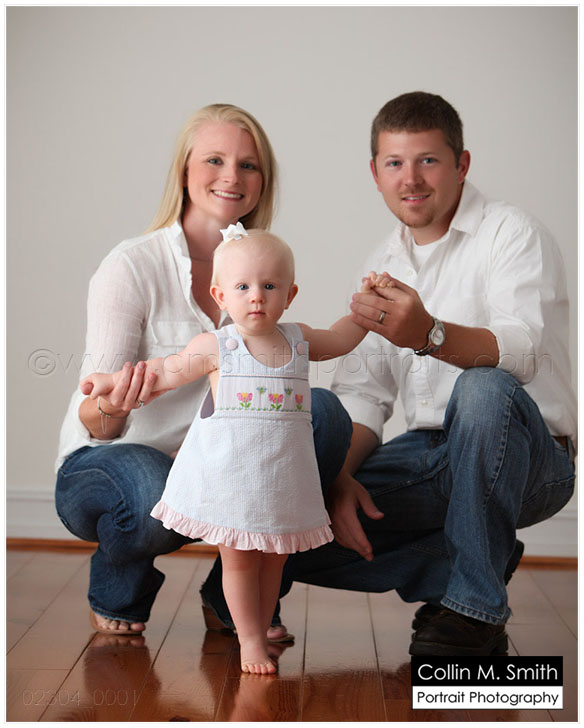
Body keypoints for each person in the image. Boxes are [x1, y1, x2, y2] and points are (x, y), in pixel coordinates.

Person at [201, 91, 577, 657]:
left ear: (461, 165)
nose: (411, 179)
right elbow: (363, 395)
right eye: (395, 163)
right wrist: (337, 482)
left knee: (483, 388)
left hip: (530, 459)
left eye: (428, 160)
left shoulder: (513, 233)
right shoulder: (383, 263)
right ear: (375, 173)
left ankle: (473, 612)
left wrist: (430, 333)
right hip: (428, 457)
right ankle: (460, 563)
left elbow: (522, 353)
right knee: (299, 514)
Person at [54, 104, 353, 641]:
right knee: (150, 491)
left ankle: (236, 600)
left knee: (325, 414)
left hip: (218, 457)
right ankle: (119, 584)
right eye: (215, 160)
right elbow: (95, 422)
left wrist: (366, 317)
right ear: (184, 172)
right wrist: (112, 401)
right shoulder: (132, 266)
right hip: (112, 457)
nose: (232, 176)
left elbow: (323, 346)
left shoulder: (259, 267)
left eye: (248, 165)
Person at [79, 224, 375, 673]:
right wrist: (110, 381)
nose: (257, 297)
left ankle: (258, 623)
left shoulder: (298, 339)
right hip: (234, 483)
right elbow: (162, 373)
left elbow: (340, 339)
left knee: (274, 562)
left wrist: (366, 311)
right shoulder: (219, 346)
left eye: (269, 286)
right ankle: (250, 641)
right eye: (243, 287)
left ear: (290, 294)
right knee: (238, 563)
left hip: (284, 482)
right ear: (221, 296)